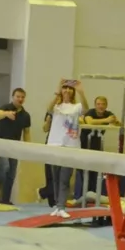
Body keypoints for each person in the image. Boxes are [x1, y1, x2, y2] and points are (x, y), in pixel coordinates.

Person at [44, 80, 85, 210]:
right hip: (55, 144)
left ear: (73, 92)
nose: (67, 91)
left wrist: (81, 92)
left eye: (69, 89)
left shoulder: (77, 106)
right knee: (55, 178)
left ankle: (61, 206)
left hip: (70, 146)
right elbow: (48, 109)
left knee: (65, 178)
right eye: (65, 88)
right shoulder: (57, 107)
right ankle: (58, 205)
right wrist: (58, 90)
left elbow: (86, 109)